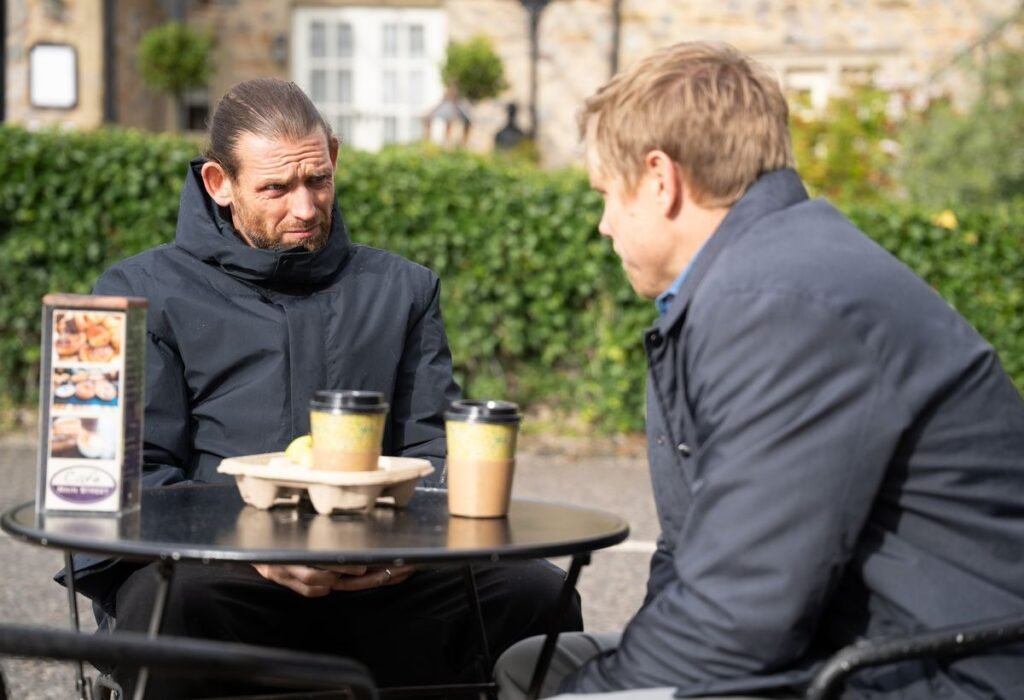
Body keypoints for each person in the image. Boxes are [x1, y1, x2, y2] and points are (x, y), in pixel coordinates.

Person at [495, 41, 1024, 699]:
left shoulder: (779, 302)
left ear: (660, 180)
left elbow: (739, 610)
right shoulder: (763, 275)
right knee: (534, 666)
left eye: (606, 193)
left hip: (941, 673)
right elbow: (697, 553)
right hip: (857, 645)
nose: (604, 225)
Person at [58, 78, 581, 698]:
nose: (305, 208)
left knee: (538, 595)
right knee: (171, 612)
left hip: (384, 577)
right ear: (219, 183)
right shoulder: (129, 292)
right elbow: (108, 486)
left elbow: (433, 455)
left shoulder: (405, 289)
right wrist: (254, 547)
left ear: (333, 156)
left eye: (318, 180)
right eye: (276, 188)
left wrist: (402, 550)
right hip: (217, 572)